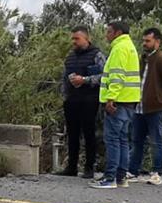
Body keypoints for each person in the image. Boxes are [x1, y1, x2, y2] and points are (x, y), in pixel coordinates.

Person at [90, 20, 141, 189]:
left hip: (118, 101)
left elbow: (117, 76)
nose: (106, 35)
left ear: (117, 32)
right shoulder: (130, 47)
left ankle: (110, 178)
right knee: (122, 140)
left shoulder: (119, 48)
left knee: (112, 140)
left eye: (108, 32)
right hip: (129, 101)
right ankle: (121, 177)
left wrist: (111, 98)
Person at [129, 27, 162, 185]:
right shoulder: (143, 58)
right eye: (143, 41)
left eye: (148, 41)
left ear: (157, 42)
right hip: (140, 106)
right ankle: (133, 170)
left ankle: (157, 171)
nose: (144, 43)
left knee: (156, 140)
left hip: (155, 107)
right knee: (137, 140)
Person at [58, 26, 105, 178]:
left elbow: (105, 76)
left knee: (89, 134)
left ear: (86, 38)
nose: (74, 42)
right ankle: (71, 166)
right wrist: (64, 95)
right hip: (72, 100)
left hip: (89, 100)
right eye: (73, 39)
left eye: (77, 39)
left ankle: (89, 167)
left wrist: (84, 80)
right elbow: (64, 78)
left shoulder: (97, 55)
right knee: (72, 134)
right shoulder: (70, 57)